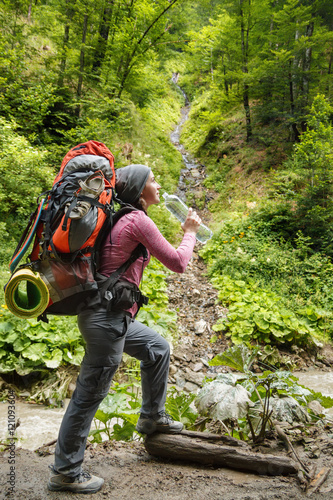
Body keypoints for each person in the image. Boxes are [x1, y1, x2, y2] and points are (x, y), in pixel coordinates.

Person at [48, 164, 201, 494]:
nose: (158, 185)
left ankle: (152, 417)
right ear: (138, 189)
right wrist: (190, 231)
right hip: (106, 320)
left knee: (157, 347)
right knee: (90, 395)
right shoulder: (137, 220)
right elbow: (178, 262)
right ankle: (66, 471)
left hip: (109, 318)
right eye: (153, 180)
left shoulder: (122, 219)